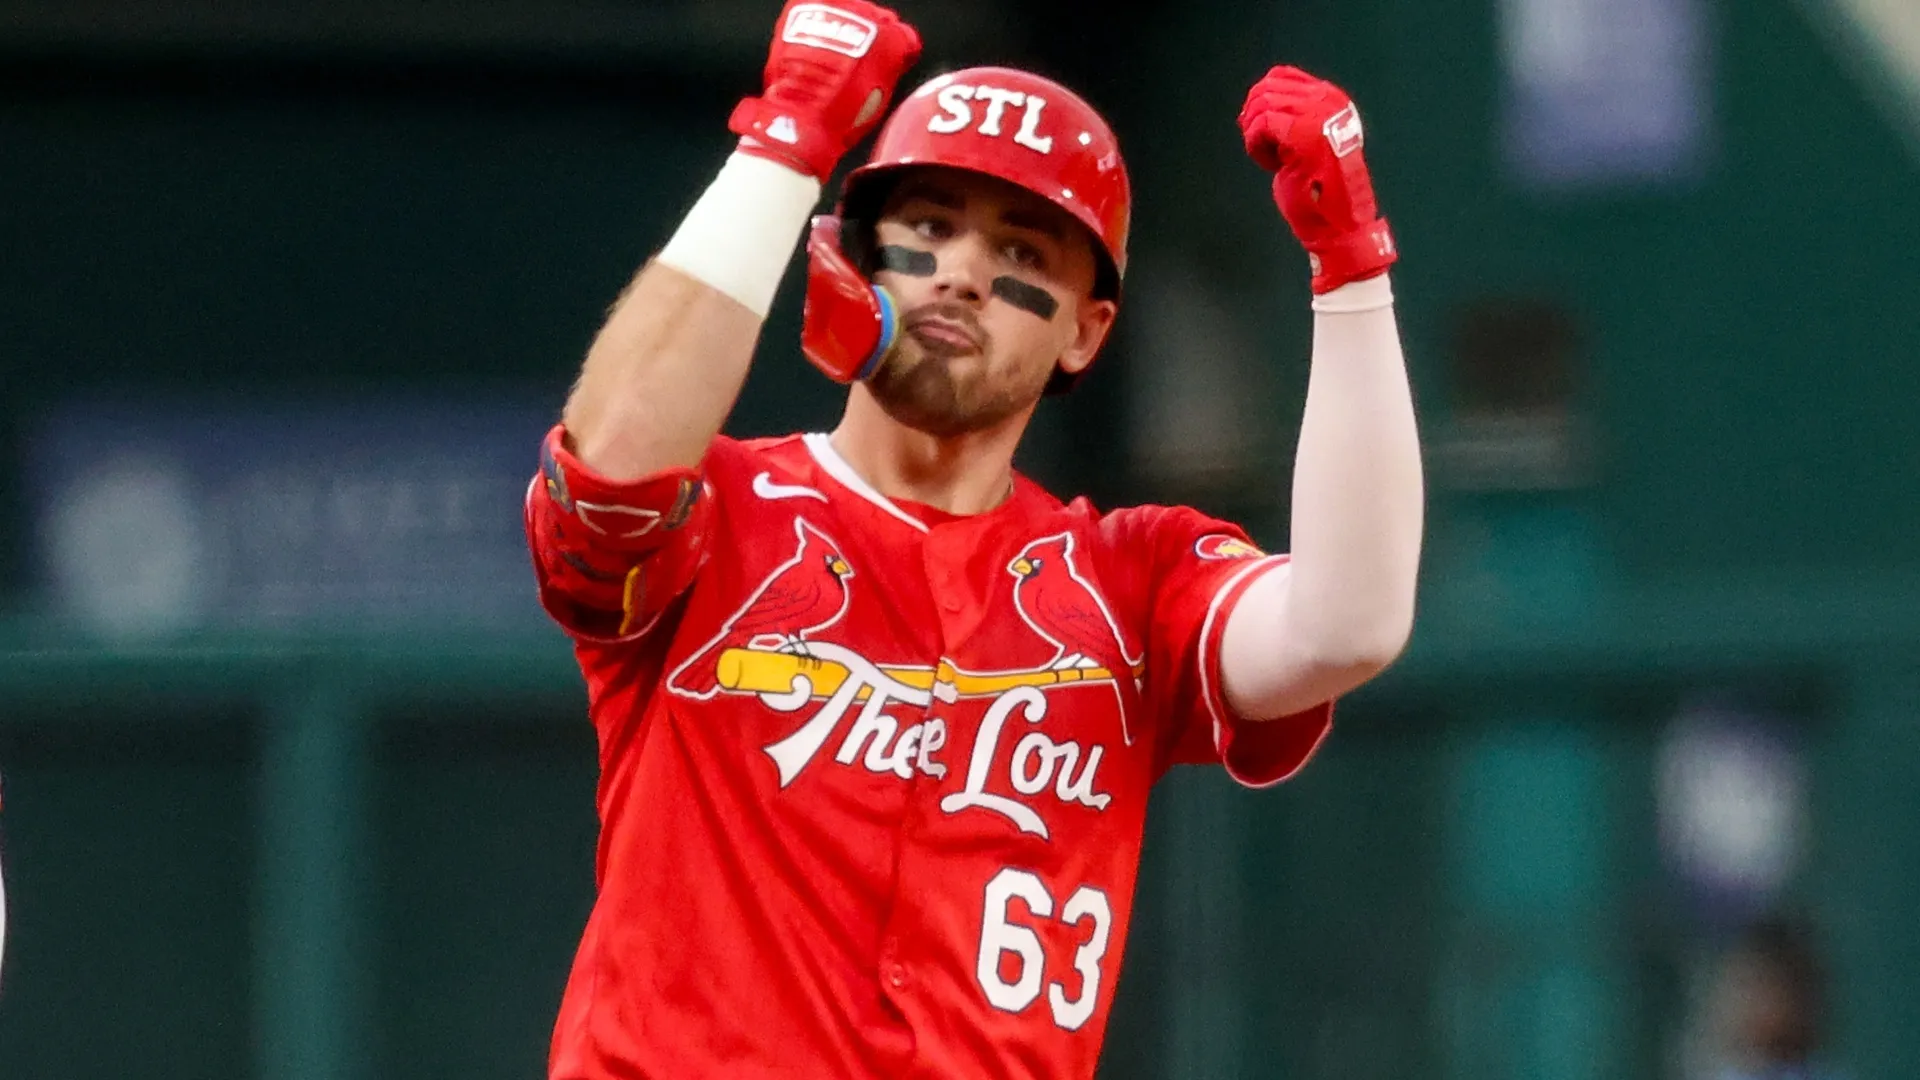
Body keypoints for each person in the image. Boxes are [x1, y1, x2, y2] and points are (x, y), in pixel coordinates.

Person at [523, 1, 1422, 1076]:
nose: (960, 272)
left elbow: (1347, 625)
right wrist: (783, 144)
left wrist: (1352, 270)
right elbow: (613, 466)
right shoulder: (723, 505)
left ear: (1086, 330)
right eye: (929, 226)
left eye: (1020, 248)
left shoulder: (1127, 578)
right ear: (853, 258)